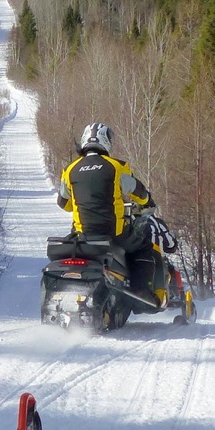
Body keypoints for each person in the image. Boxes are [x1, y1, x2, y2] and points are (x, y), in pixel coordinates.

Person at [56, 121, 163, 303]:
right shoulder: (116, 166)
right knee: (143, 249)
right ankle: (140, 291)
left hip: (82, 234)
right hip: (114, 232)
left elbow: (63, 203)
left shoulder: (70, 170)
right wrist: (147, 202)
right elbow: (139, 192)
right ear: (106, 141)